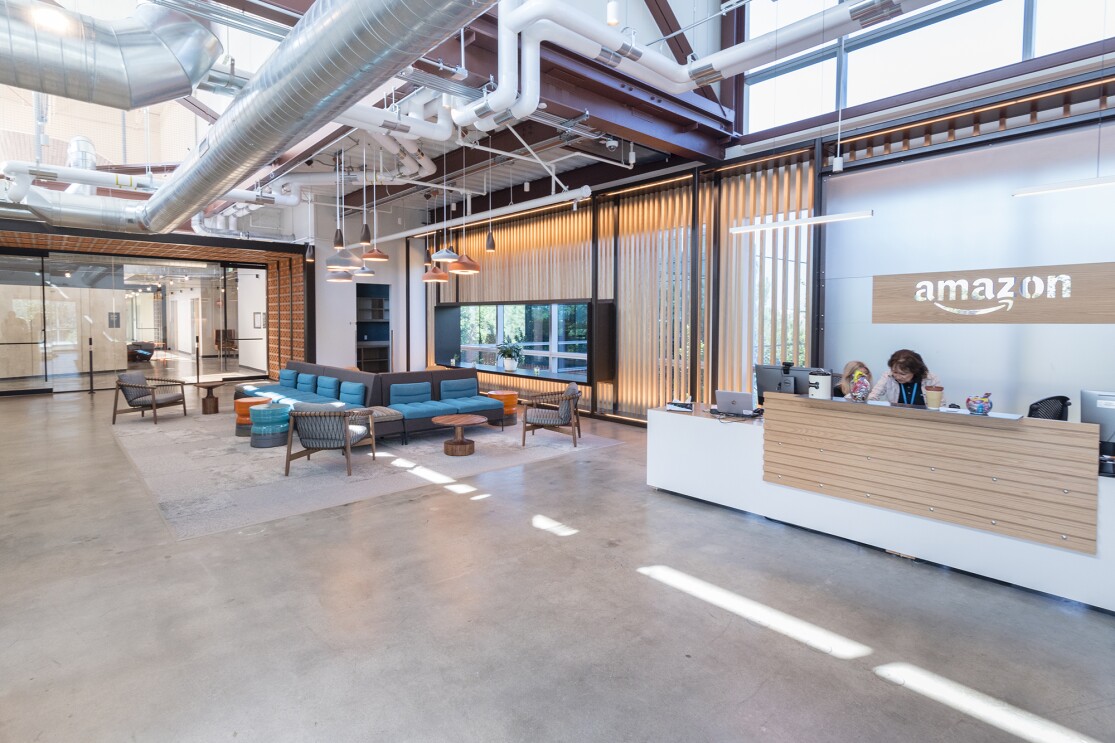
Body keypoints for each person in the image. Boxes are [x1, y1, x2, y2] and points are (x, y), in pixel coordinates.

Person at [869, 349, 941, 406]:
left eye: (903, 374)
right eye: (895, 372)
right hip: (897, 417)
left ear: (915, 371)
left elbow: (940, 405)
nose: (897, 377)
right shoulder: (888, 376)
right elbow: (872, 397)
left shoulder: (930, 379)